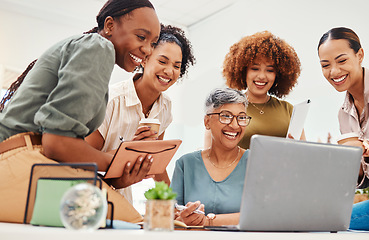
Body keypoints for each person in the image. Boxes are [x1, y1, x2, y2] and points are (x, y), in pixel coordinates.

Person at [0, 0, 160, 224]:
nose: (147, 50)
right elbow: (57, 143)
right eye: (141, 37)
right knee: (134, 221)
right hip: (17, 161)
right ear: (110, 25)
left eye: (153, 43)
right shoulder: (98, 47)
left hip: (23, 159)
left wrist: (117, 176)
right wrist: (114, 161)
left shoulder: (88, 47)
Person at [86, 23, 195, 203]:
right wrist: (130, 151)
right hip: (89, 195)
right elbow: (84, 161)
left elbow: (157, 164)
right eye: (162, 61)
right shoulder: (110, 101)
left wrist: (174, 205)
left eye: (177, 65)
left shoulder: (165, 107)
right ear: (144, 59)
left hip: (121, 200)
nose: (169, 71)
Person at [318, 27, 369, 231]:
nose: (334, 72)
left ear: (359, 55)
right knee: (320, 215)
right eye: (325, 65)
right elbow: (364, 175)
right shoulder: (344, 113)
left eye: (342, 60)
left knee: (331, 223)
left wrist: (368, 147)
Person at [171, 88, 251, 226]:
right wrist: (183, 218)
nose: (234, 125)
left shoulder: (255, 162)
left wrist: (207, 221)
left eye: (241, 117)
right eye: (226, 116)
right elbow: (172, 217)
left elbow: (260, 217)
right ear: (207, 122)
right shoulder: (185, 164)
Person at [219, 30, 304, 149]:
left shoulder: (288, 110)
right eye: (255, 68)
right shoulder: (228, 108)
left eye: (269, 70)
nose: (262, 76)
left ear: (278, 74)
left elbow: (303, 152)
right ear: (243, 71)